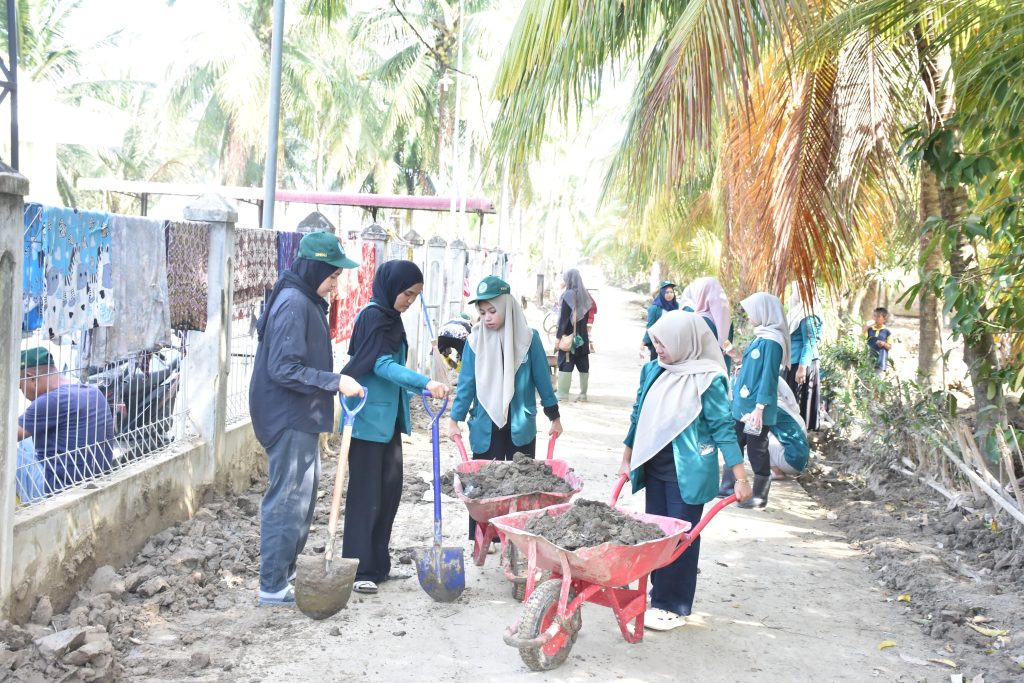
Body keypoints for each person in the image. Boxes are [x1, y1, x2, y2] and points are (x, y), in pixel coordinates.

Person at [249, 231, 365, 607]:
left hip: (301, 413)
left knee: (302, 498)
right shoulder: (293, 303)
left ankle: (284, 574)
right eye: (332, 276)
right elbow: (283, 368)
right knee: (288, 500)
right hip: (287, 415)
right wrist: (335, 381)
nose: (335, 285)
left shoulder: (305, 299)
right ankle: (271, 585)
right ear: (315, 269)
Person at [618, 310, 752, 631]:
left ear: (685, 341)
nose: (659, 349)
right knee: (656, 535)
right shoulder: (654, 370)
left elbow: (723, 429)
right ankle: (658, 595)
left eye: (664, 343)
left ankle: (672, 606)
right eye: (656, 342)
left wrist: (740, 477)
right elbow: (638, 416)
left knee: (682, 538)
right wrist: (627, 458)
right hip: (655, 466)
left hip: (688, 471)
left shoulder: (709, 378)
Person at [341, 260, 450, 595]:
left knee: (388, 494)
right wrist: (425, 382)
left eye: (415, 296)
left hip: (387, 422)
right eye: (407, 294)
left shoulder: (390, 318)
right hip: (367, 422)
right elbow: (382, 365)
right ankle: (358, 568)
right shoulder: (373, 317)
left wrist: (421, 387)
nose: (410, 301)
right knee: (365, 498)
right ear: (392, 287)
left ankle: (378, 565)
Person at [448, 276, 563, 541]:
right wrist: (455, 419)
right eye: (482, 312)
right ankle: (482, 535)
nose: (487, 318)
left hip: (519, 423)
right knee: (483, 484)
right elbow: (467, 384)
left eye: (492, 310)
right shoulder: (474, 341)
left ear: (507, 307)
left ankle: (515, 537)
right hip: (486, 422)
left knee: (521, 482)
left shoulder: (529, 338)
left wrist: (554, 416)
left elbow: (543, 381)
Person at [17, 348, 115, 496]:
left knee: (9, 450)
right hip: (95, 480)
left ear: (31, 378)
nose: (23, 393)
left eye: (20, 386)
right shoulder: (93, 391)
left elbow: (7, 437)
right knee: (24, 443)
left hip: (57, 490)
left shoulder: (50, 401)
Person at [724, 292, 789, 508]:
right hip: (743, 405)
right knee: (734, 441)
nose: (749, 316)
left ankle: (760, 495)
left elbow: (769, 377)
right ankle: (728, 484)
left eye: (752, 312)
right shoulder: (760, 336)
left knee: (756, 450)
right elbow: (754, 365)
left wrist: (760, 407)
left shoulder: (773, 342)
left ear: (764, 312)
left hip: (756, 408)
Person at [785, 286, 823, 430]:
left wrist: (802, 369)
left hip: (802, 365)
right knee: (791, 403)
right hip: (794, 363)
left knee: (798, 404)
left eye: (796, 291)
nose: (793, 294)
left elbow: (809, 343)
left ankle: (800, 437)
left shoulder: (808, 315)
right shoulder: (797, 313)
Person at [681, 277, 737, 371]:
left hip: (705, 372)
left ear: (700, 293)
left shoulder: (699, 320)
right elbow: (726, 344)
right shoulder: (726, 319)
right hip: (722, 371)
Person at [555, 269, 594, 402]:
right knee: (583, 364)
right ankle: (583, 395)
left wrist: (558, 338)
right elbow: (588, 316)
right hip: (582, 338)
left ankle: (562, 395)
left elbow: (564, 320)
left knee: (566, 362)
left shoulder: (567, 295)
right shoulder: (585, 295)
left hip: (569, 337)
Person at [768, 381, 811, 480]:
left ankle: (777, 471)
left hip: (791, 461)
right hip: (801, 461)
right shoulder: (789, 409)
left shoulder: (772, 409)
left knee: (757, 432)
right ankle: (780, 468)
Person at [641, 281, 678, 361]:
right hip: (658, 343)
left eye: (671, 292)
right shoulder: (655, 308)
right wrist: (643, 342)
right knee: (657, 363)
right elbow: (650, 326)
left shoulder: (676, 306)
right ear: (662, 293)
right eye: (667, 292)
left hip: (672, 342)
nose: (670, 294)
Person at [866, 307, 892, 374]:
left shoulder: (887, 332)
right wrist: (866, 327)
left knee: (877, 377)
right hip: (869, 360)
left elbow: (889, 347)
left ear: (884, 319)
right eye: (874, 316)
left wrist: (884, 344)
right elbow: (863, 339)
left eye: (878, 316)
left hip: (880, 360)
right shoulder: (869, 330)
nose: (875, 318)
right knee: (866, 377)